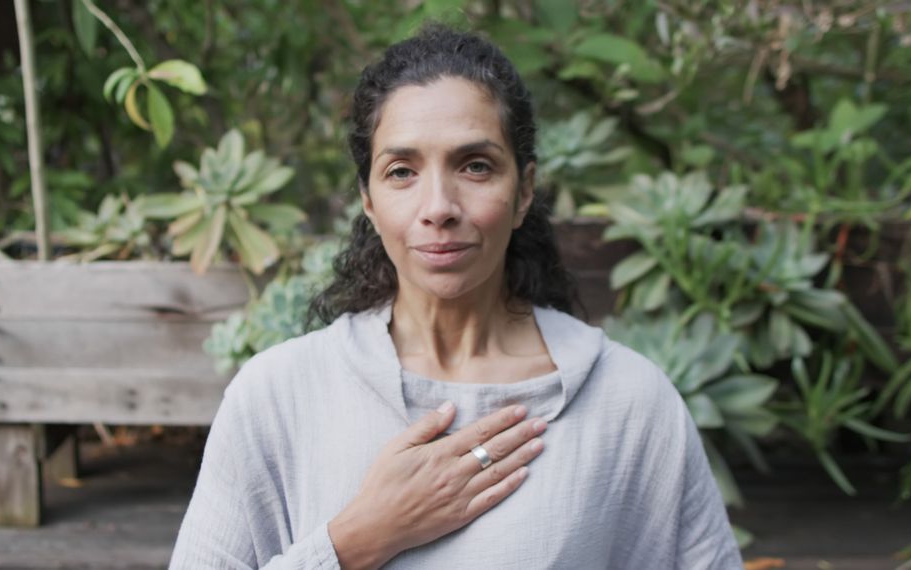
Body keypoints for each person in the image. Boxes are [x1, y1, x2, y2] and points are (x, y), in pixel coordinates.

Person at [170, 24, 741, 569]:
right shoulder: (278, 395)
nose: (438, 205)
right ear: (367, 200)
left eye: (475, 165)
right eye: (401, 171)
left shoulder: (630, 403)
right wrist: (356, 542)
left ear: (524, 193)